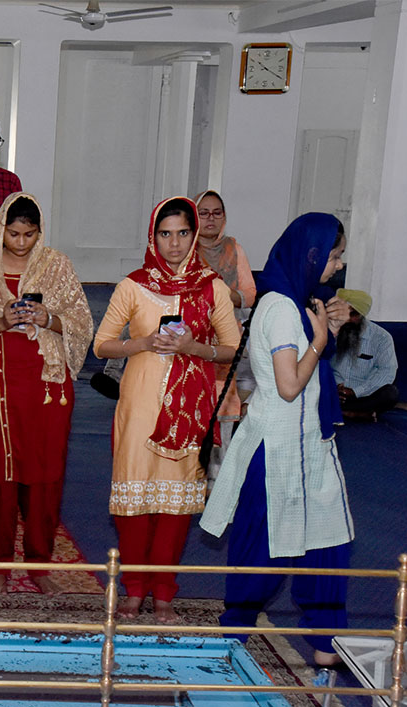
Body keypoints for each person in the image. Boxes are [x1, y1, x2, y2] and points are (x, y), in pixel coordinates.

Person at [200, 213, 353, 667]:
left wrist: (331, 329)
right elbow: (289, 386)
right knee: (263, 546)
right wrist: (321, 342)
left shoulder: (296, 299)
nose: (338, 266)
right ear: (311, 255)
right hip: (278, 445)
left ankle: (326, 642)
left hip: (308, 443)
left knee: (328, 540)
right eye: (335, 255)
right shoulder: (283, 309)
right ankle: (235, 630)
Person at [93, 196, 240, 623]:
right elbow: (101, 343)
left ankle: (164, 596)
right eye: (165, 234)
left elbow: (231, 349)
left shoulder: (212, 287)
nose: (174, 244)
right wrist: (141, 343)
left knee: (175, 511)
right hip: (138, 409)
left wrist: (193, 348)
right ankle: (134, 590)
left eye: (183, 234)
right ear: (153, 236)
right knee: (135, 506)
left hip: (187, 415)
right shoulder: (132, 285)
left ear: (195, 236)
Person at [0, 193, 93, 594]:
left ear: (39, 232)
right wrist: (0, 321)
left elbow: (82, 324)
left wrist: (49, 318)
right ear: (1, 230)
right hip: (0, 387)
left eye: (29, 234)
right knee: (1, 475)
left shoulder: (57, 266)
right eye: (13, 233)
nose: (20, 242)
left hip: (48, 389)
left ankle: (39, 562)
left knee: (46, 477)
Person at [195, 190, 257, 472]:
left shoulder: (234, 249)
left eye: (216, 213)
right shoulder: (182, 247)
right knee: (192, 406)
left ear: (224, 217)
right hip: (191, 338)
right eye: (204, 212)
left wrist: (221, 295)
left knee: (223, 406)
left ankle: (219, 481)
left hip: (225, 339)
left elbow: (249, 294)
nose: (210, 218)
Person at [332, 288, 399, 420]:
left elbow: (387, 372)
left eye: (353, 314)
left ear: (362, 315)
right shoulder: (329, 331)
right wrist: (334, 387)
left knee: (390, 394)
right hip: (332, 391)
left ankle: (341, 412)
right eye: (344, 314)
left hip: (363, 396)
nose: (347, 320)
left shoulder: (382, 337)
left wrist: (355, 392)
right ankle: (353, 414)